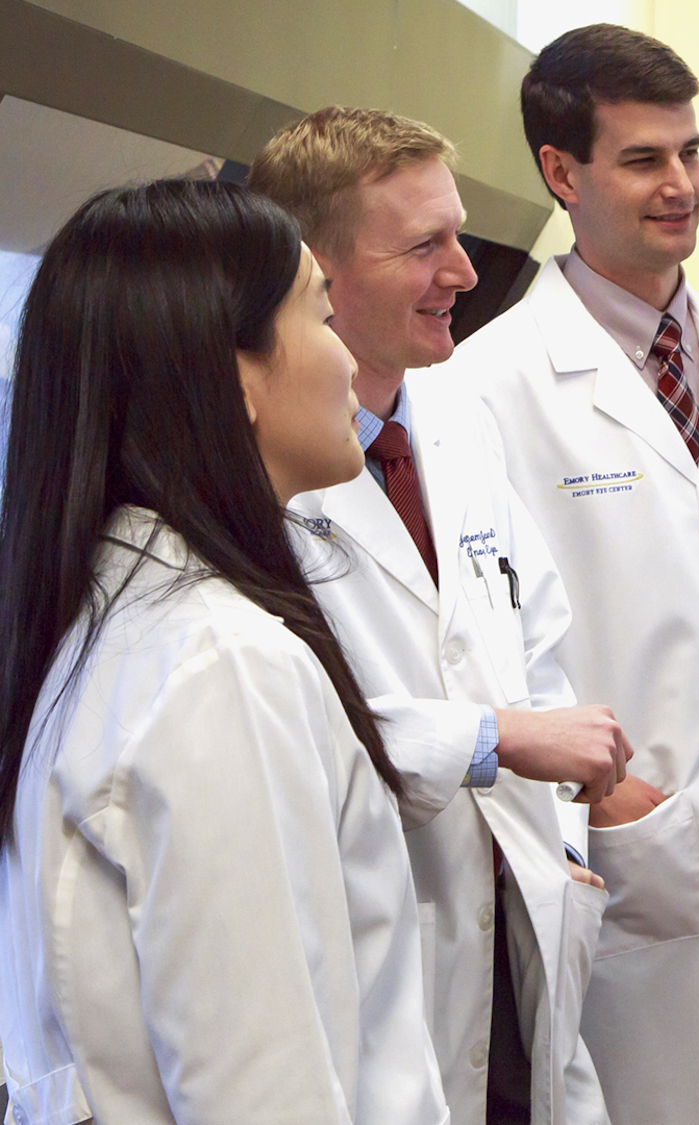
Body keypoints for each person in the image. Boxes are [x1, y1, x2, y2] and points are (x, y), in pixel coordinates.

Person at [442, 25, 699, 1124]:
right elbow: (489, 632)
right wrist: (608, 791)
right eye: (644, 160)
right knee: (648, 1091)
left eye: (690, 153)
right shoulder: (489, 383)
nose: (682, 186)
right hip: (622, 817)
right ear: (562, 173)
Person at [0, 179, 446, 1123]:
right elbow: (263, 1096)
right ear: (239, 375)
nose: (346, 358)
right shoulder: (220, 664)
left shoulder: (113, 625)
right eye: (321, 316)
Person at [249, 107, 631, 1125]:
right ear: (313, 271)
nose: (464, 271)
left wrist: (561, 838)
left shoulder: (458, 418)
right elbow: (279, 723)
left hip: (518, 918)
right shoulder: (256, 477)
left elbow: (530, 639)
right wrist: (492, 737)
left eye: (456, 234)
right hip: (381, 934)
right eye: (425, 246)